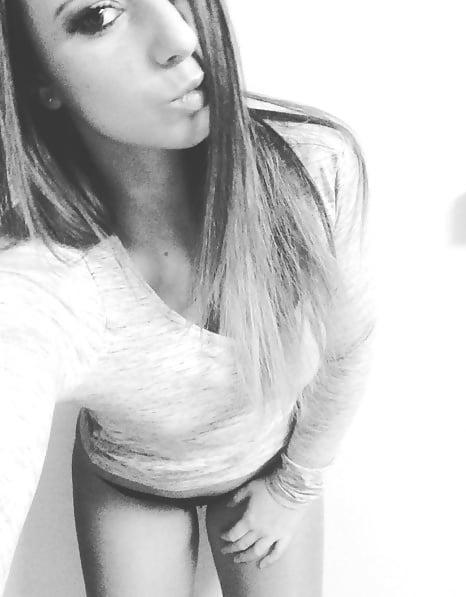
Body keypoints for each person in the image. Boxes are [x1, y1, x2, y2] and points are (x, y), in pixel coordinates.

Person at [0, 0, 374, 595]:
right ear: (39, 77)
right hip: (130, 484)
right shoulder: (43, 273)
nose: (180, 36)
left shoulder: (310, 167)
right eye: (100, 15)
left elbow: (349, 348)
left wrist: (293, 488)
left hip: (270, 466)